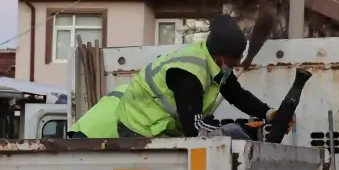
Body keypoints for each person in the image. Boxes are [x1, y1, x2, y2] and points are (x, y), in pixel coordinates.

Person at [67, 15, 273, 139]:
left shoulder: (213, 65)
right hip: (139, 127)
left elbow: (238, 95)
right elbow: (193, 127)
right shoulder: (188, 73)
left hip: (155, 126)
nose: (237, 63)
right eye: (234, 58)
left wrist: (269, 113)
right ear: (220, 54)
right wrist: (233, 130)